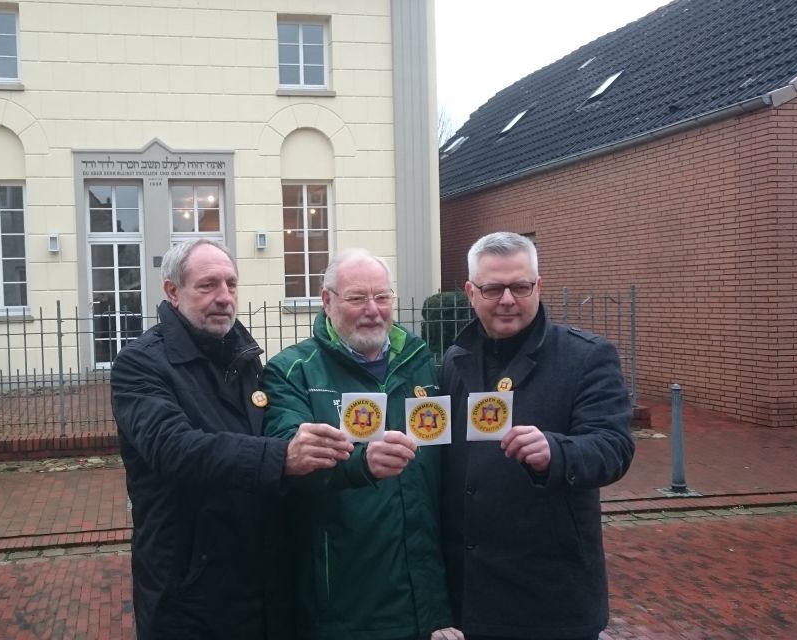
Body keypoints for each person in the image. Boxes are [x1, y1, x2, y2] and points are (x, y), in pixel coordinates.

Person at [112, 239, 355, 640]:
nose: (224, 297)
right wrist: (281, 458)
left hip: (261, 583)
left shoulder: (242, 357)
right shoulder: (139, 364)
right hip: (191, 590)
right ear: (173, 292)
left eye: (231, 284)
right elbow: (174, 448)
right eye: (208, 286)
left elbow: (265, 431)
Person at [440, 232, 635, 640]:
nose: (508, 299)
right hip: (469, 596)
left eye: (521, 286)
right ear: (471, 292)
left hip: (550, 596)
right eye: (493, 288)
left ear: (539, 286)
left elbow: (614, 448)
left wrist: (556, 451)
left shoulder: (586, 356)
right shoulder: (454, 361)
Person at [262, 249, 457, 640]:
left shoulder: (422, 362)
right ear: (327, 300)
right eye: (357, 298)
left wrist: (438, 612)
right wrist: (360, 464)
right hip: (344, 605)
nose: (373, 309)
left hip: (423, 602)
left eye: (382, 297)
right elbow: (287, 458)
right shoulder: (292, 371)